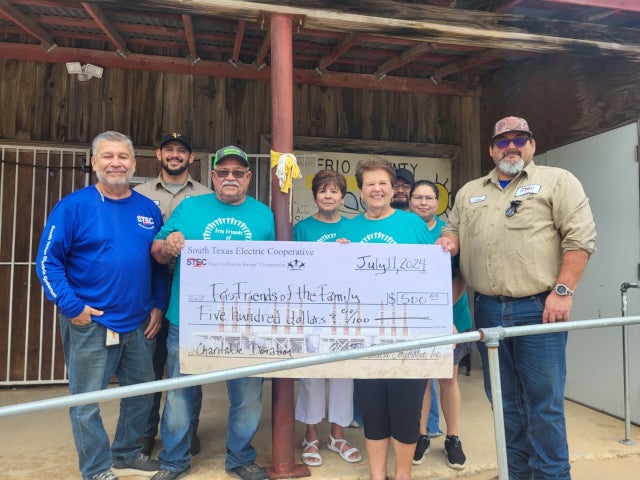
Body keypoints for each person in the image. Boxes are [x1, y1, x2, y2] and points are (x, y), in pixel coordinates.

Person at [439, 116, 596, 479]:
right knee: (504, 402)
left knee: (543, 404)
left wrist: (562, 292)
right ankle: (516, 472)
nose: (511, 146)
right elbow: (452, 229)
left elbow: (580, 240)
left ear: (532, 144)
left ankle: (552, 475)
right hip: (488, 310)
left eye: (519, 139)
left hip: (539, 309)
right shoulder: (469, 192)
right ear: (492, 149)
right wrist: (450, 241)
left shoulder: (558, 181)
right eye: (503, 140)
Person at [35, 131, 167, 480]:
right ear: (94, 163)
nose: (115, 163)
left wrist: (158, 305)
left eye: (123, 156)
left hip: (138, 322)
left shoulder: (147, 210)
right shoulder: (73, 206)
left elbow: (157, 264)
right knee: (85, 401)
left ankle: (124, 453)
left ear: (134, 164)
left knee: (143, 393)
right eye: (107, 156)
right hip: (89, 322)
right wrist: (70, 305)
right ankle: (95, 469)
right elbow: (47, 262)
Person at [150, 145, 275, 480]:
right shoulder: (189, 207)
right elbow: (157, 252)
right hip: (189, 319)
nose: (230, 178)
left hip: (246, 322)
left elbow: (279, 268)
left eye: (238, 172)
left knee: (247, 395)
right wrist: (170, 243)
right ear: (213, 176)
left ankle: (240, 459)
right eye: (223, 172)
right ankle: (174, 461)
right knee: (179, 394)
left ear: (248, 178)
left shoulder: (265, 215)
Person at [344, 158, 434, 480]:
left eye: (383, 182)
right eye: (370, 184)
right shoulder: (348, 228)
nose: (377, 189)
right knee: (373, 409)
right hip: (365, 335)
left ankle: (403, 475)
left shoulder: (412, 225)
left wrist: (442, 318)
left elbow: (433, 275)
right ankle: (376, 475)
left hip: (409, 333)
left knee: (406, 409)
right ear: (361, 190)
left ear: (393, 187)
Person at [134, 132, 212, 457]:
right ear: (159, 154)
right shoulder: (139, 194)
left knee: (189, 368)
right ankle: (144, 433)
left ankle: (184, 433)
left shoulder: (207, 197)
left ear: (192, 158)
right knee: (148, 368)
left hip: (191, 296)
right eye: (170, 150)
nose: (175, 155)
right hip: (150, 289)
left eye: (182, 151)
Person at [293, 169, 362, 467]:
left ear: (343, 196)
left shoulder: (354, 227)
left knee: (344, 374)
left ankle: (337, 435)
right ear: (315, 196)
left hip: (347, 311)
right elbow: (294, 267)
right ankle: (311, 435)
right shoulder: (302, 228)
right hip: (312, 311)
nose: (329, 196)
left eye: (334, 191)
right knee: (311, 375)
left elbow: (363, 268)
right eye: (323, 191)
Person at [409, 180, 472, 469]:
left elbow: (461, 275)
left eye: (429, 197)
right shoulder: (405, 227)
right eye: (417, 197)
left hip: (452, 318)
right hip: (415, 319)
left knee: (448, 378)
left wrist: (440, 311)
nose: (423, 202)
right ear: (409, 200)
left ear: (439, 202)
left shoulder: (450, 232)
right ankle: (420, 436)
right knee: (421, 379)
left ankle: (453, 438)